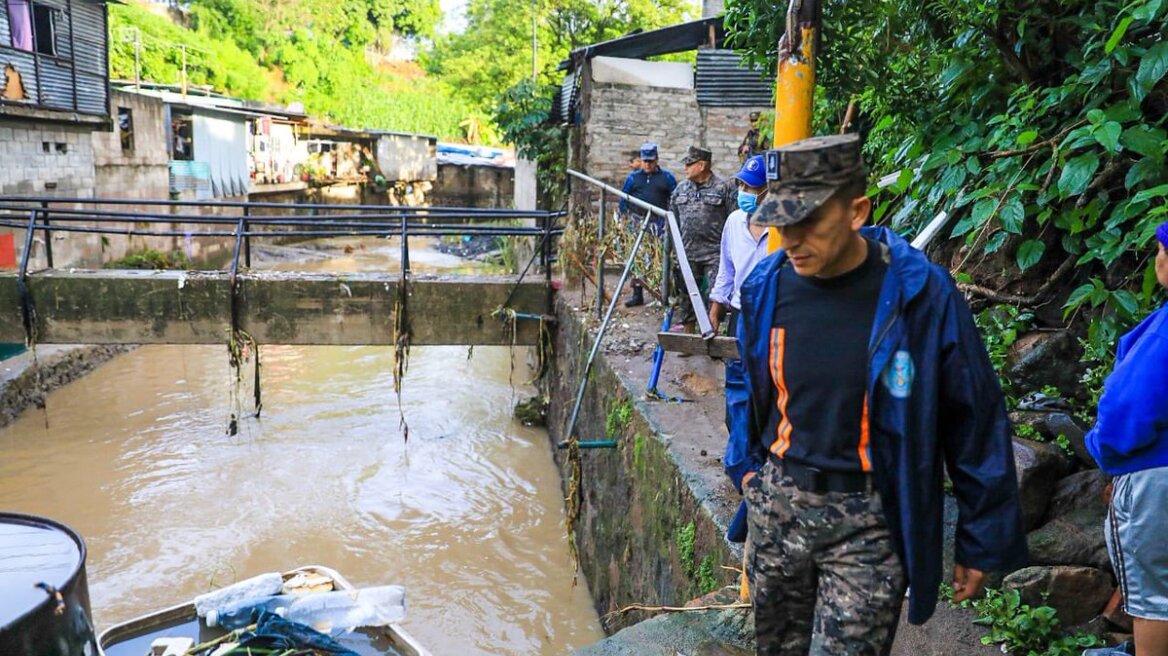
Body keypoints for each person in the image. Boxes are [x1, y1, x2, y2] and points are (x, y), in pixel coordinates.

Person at [729, 134, 1027, 654]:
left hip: (870, 519)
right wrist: (747, 469)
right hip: (778, 507)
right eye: (783, 225)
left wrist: (983, 538)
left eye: (808, 223)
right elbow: (746, 382)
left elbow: (974, 419)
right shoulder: (766, 287)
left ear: (856, 210)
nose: (792, 240)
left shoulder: (920, 294)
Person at [1084, 221, 1168, 656]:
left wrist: (1101, 448)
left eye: (1160, 249)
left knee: (1155, 597)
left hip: (1157, 478)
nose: (1157, 258)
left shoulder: (1163, 333)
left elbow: (1124, 410)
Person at [668, 146, 736, 331]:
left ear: (702, 165)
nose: (685, 168)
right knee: (686, 296)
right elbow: (672, 221)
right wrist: (673, 250)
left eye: (689, 164)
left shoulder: (723, 188)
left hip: (715, 253)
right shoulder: (680, 189)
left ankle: (712, 334)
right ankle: (689, 336)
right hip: (687, 252)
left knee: (715, 295)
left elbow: (733, 220)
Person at [620, 142, 677, 307]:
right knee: (637, 259)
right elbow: (624, 200)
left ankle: (661, 293)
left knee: (659, 258)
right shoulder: (633, 178)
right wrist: (625, 221)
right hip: (638, 222)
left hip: (659, 223)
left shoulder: (666, 178)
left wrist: (671, 220)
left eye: (651, 161)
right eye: (645, 161)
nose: (648, 164)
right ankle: (637, 294)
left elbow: (675, 199)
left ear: (657, 160)